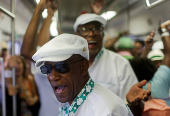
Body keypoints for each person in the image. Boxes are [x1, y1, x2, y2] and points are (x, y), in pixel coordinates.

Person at [32, 33, 134, 116]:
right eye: (47, 69)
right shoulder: (68, 99)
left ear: (84, 67)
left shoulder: (106, 111)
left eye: (61, 67)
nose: (52, 76)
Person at [74, 13, 138, 101]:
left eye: (97, 29)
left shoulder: (120, 64)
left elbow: (131, 104)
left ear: (103, 34)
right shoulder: (68, 64)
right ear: (76, 35)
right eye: (85, 29)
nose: (91, 34)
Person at [21, 0, 60, 116]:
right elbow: (38, 49)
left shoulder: (62, 64)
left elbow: (29, 51)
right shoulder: (50, 65)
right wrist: (47, 13)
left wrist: (39, 11)